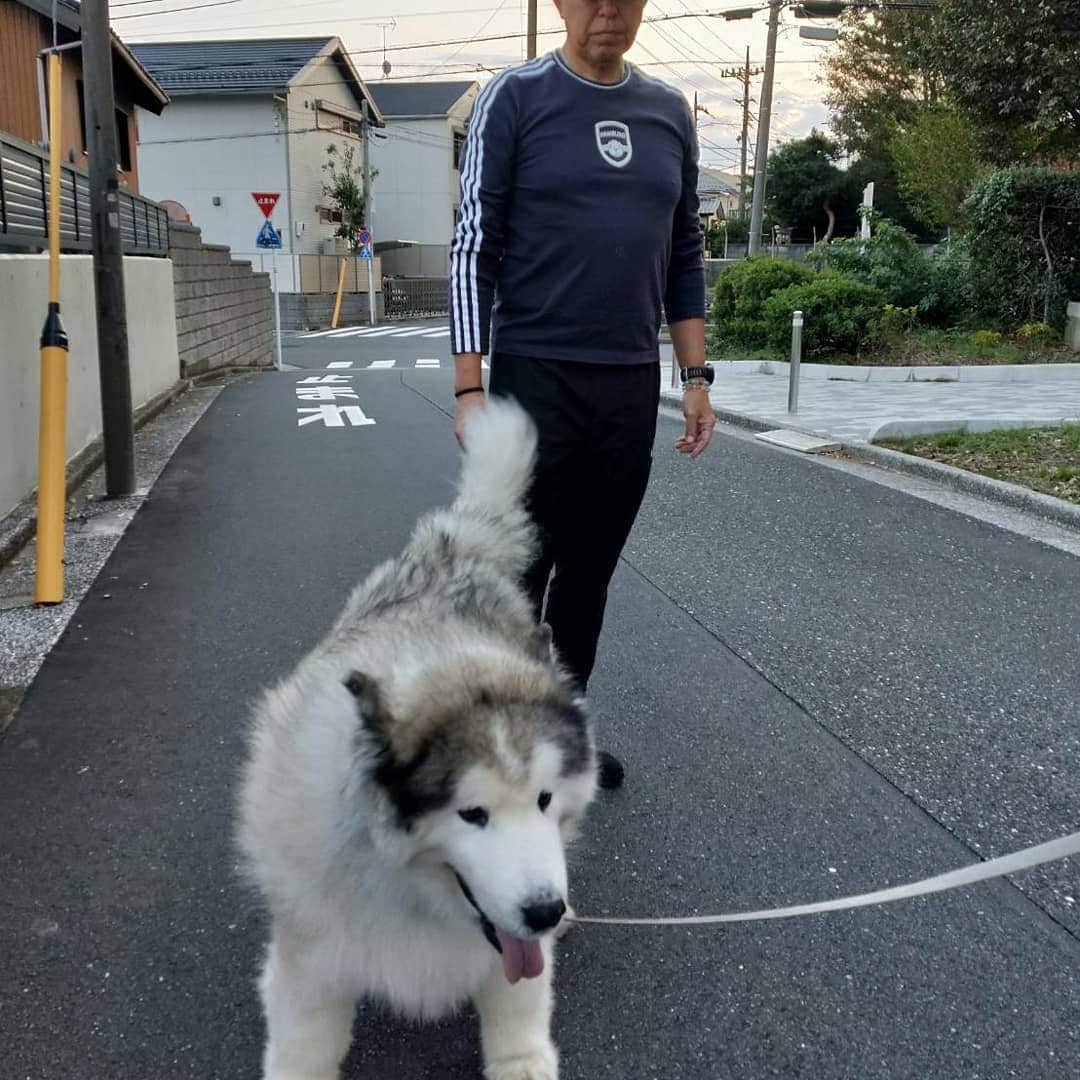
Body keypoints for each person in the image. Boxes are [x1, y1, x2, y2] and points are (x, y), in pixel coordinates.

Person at [449, 0, 716, 787]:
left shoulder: (668, 112)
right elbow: (474, 244)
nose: (608, 11)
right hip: (535, 376)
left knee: (590, 573)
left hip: (629, 384)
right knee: (520, 574)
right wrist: (470, 386)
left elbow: (685, 251)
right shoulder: (517, 97)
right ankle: (496, 749)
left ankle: (556, 742)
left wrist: (695, 378)